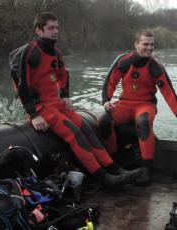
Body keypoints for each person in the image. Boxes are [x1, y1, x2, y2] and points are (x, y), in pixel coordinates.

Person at [9, 12, 140, 188]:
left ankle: (115, 169)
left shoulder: (56, 52)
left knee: (86, 129)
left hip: (56, 103)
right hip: (41, 107)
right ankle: (104, 178)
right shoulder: (30, 52)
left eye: (57, 27)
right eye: (50, 28)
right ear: (38, 31)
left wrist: (64, 96)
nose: (55, 31)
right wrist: (33, 114)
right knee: (74, 133)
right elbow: (21, 86)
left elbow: (64, 75)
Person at [99, 30, 177, 186]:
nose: (149, 48)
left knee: (143, 123)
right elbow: (110, 82)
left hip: (146, 105)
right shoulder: (123, 61)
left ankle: (147, 171)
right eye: (145, 44)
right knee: (104, 121)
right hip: (125, 103)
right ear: (136, 45)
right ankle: (114, 162)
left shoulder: (156, 67)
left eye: (152, 45)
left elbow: (169, 93)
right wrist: (106, 100)